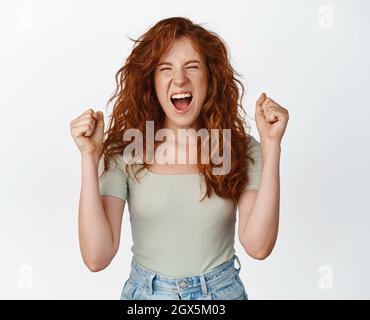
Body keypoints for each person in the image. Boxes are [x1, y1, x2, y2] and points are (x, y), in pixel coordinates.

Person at [69, 17, 289, 300]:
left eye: (192, 67)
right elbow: (96, 258)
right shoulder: (127, 150)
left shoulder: (237, 148)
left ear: (211, 77)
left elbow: (258, 246)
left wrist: (272, 146)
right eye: (165, 69)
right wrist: (89, 157)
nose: (180, 79)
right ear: (151, 80)